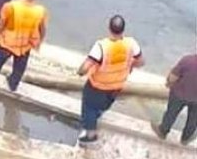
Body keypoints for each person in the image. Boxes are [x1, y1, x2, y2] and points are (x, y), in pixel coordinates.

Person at [76, 15, 144, 146]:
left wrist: (80, 72)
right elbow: (141, 61)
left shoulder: (101, 46)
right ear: (123, 29)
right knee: (104, 105)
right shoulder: (132, 44)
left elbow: (85, 67)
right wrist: (127, 66)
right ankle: (97, 115)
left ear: (109, 28)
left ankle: (90, 135)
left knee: (89, 108)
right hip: (117, 85)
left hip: (97, 85)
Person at [152, 52, 197, 146]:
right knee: (193, 119)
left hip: (179, 93)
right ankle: (186, 138)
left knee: (171, 113)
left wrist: (168, 83)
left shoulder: (187, 60)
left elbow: (173, 76)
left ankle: (163, 131)